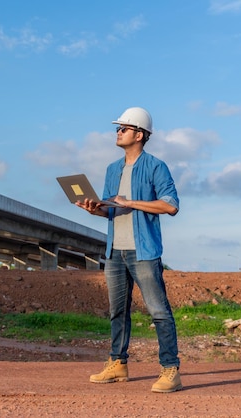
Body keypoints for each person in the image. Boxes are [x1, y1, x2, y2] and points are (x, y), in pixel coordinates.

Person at [75, 107, 182, 393]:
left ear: (140, 134)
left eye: (123, 128)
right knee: (117, 312)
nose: (118, 132)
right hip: (115, 252)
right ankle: (117, 364)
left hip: (144, 252)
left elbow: (170, 205)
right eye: (117, 128)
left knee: (159, 312)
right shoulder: (112, 169)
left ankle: (170, 370)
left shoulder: (156, 167)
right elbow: (113, 210)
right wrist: (93, 209)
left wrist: (131, 202)